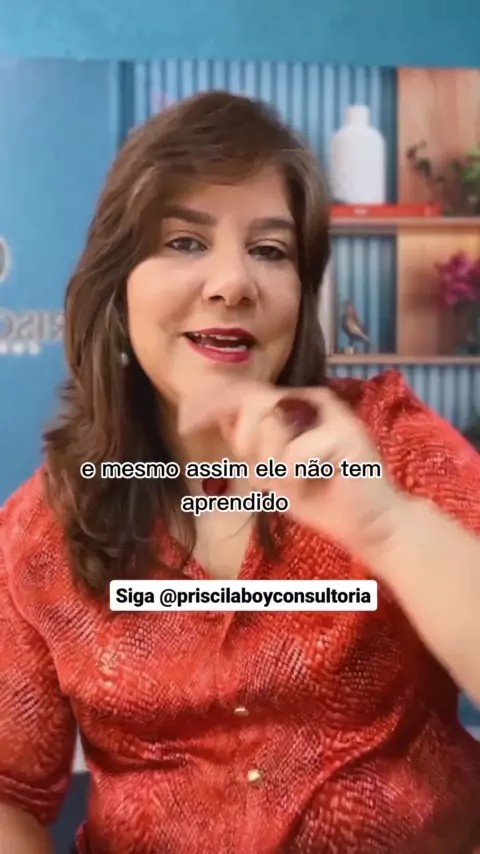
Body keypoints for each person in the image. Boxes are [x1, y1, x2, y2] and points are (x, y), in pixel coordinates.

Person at [1, 90, 480, 854]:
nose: (233, 283)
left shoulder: (390, 442)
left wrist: (390, 529)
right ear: (117, 289)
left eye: (270, 250)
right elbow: (8, 791)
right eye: (185, 241)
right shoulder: (43, 529)